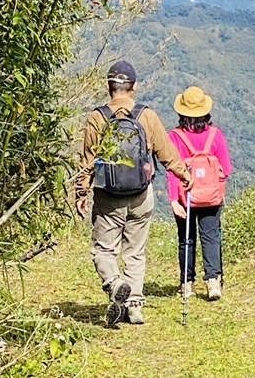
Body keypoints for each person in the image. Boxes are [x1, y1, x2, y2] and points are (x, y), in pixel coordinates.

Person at [75, 60, 192, 327]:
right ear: (134, 86)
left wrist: (81, 192)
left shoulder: (97, 117)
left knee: (103, 249)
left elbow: (87, 161)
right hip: (141, 195)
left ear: (108, 86)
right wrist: (184, 176)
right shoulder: (145, 115)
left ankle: (115, 283)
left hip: (108, 196)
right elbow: (166, 153)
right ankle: (135, 306)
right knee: (135, 251)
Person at [167, 85, 232, 301]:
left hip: (185, 196)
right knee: (211, 236)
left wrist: (173, 199)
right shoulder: (216, 135)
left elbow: (171, 171)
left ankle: (187, 284)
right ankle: (213, 282)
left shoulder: (175, 137)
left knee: (186, 239)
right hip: (211, 197)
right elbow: (226, 169)